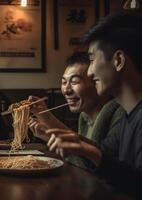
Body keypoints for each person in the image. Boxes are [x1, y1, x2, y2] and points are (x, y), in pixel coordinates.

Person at [45, 12, 142, 197]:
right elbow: (104, 154)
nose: (89, 72)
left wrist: (90, 152)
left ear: (118, 60)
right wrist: (81, 147)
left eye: (91, 59)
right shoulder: (129, 117)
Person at [28, 52, 124, 169]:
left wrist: (48, 118)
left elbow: (102, 164)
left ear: (97, 82)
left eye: (74, 81)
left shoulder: (120, 115)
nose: (66, 90)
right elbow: (80, 158)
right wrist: (48, 136)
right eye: (64, 82)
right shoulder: (84, 118)